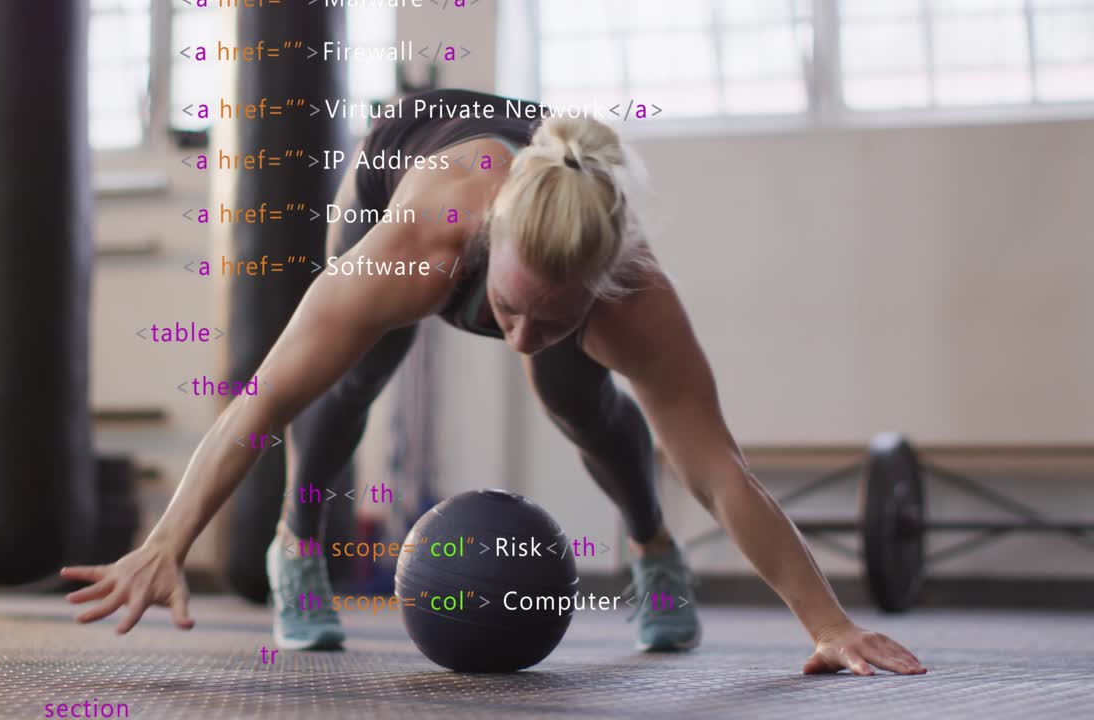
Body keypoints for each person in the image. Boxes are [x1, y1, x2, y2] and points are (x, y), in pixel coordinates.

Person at [61, 88, 927, 676]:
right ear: (486, 252)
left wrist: (828, 624)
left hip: (544, 190)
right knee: (349, 383)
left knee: (577, 401)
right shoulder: (410, 247)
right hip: (402, 152)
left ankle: (653, 555)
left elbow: (716, 467)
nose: (518, 340)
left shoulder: (633, 294)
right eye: (510, 310)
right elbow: (260, 404)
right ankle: (298, 550)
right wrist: (168, 541)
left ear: (602, 283)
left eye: (552, 320)